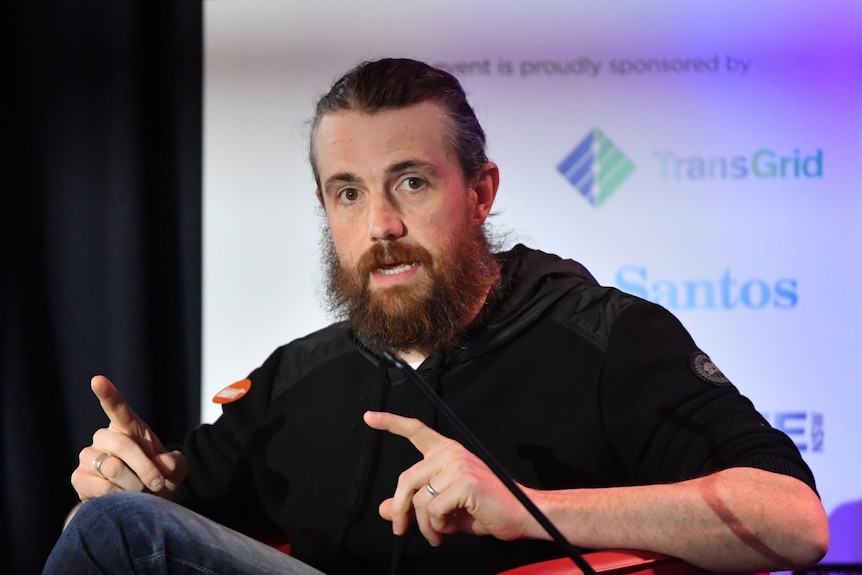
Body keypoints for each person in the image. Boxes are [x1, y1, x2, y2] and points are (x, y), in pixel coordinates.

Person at [44, 58, 829, 575]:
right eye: (348, 192)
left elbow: (796, 521)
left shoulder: (602, 334)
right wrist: (139, 481)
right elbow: (175, 522)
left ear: (480, 192)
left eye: (411, 183)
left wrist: (529, 509)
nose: (379, 223)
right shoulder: (298, 377)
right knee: (118, 526)